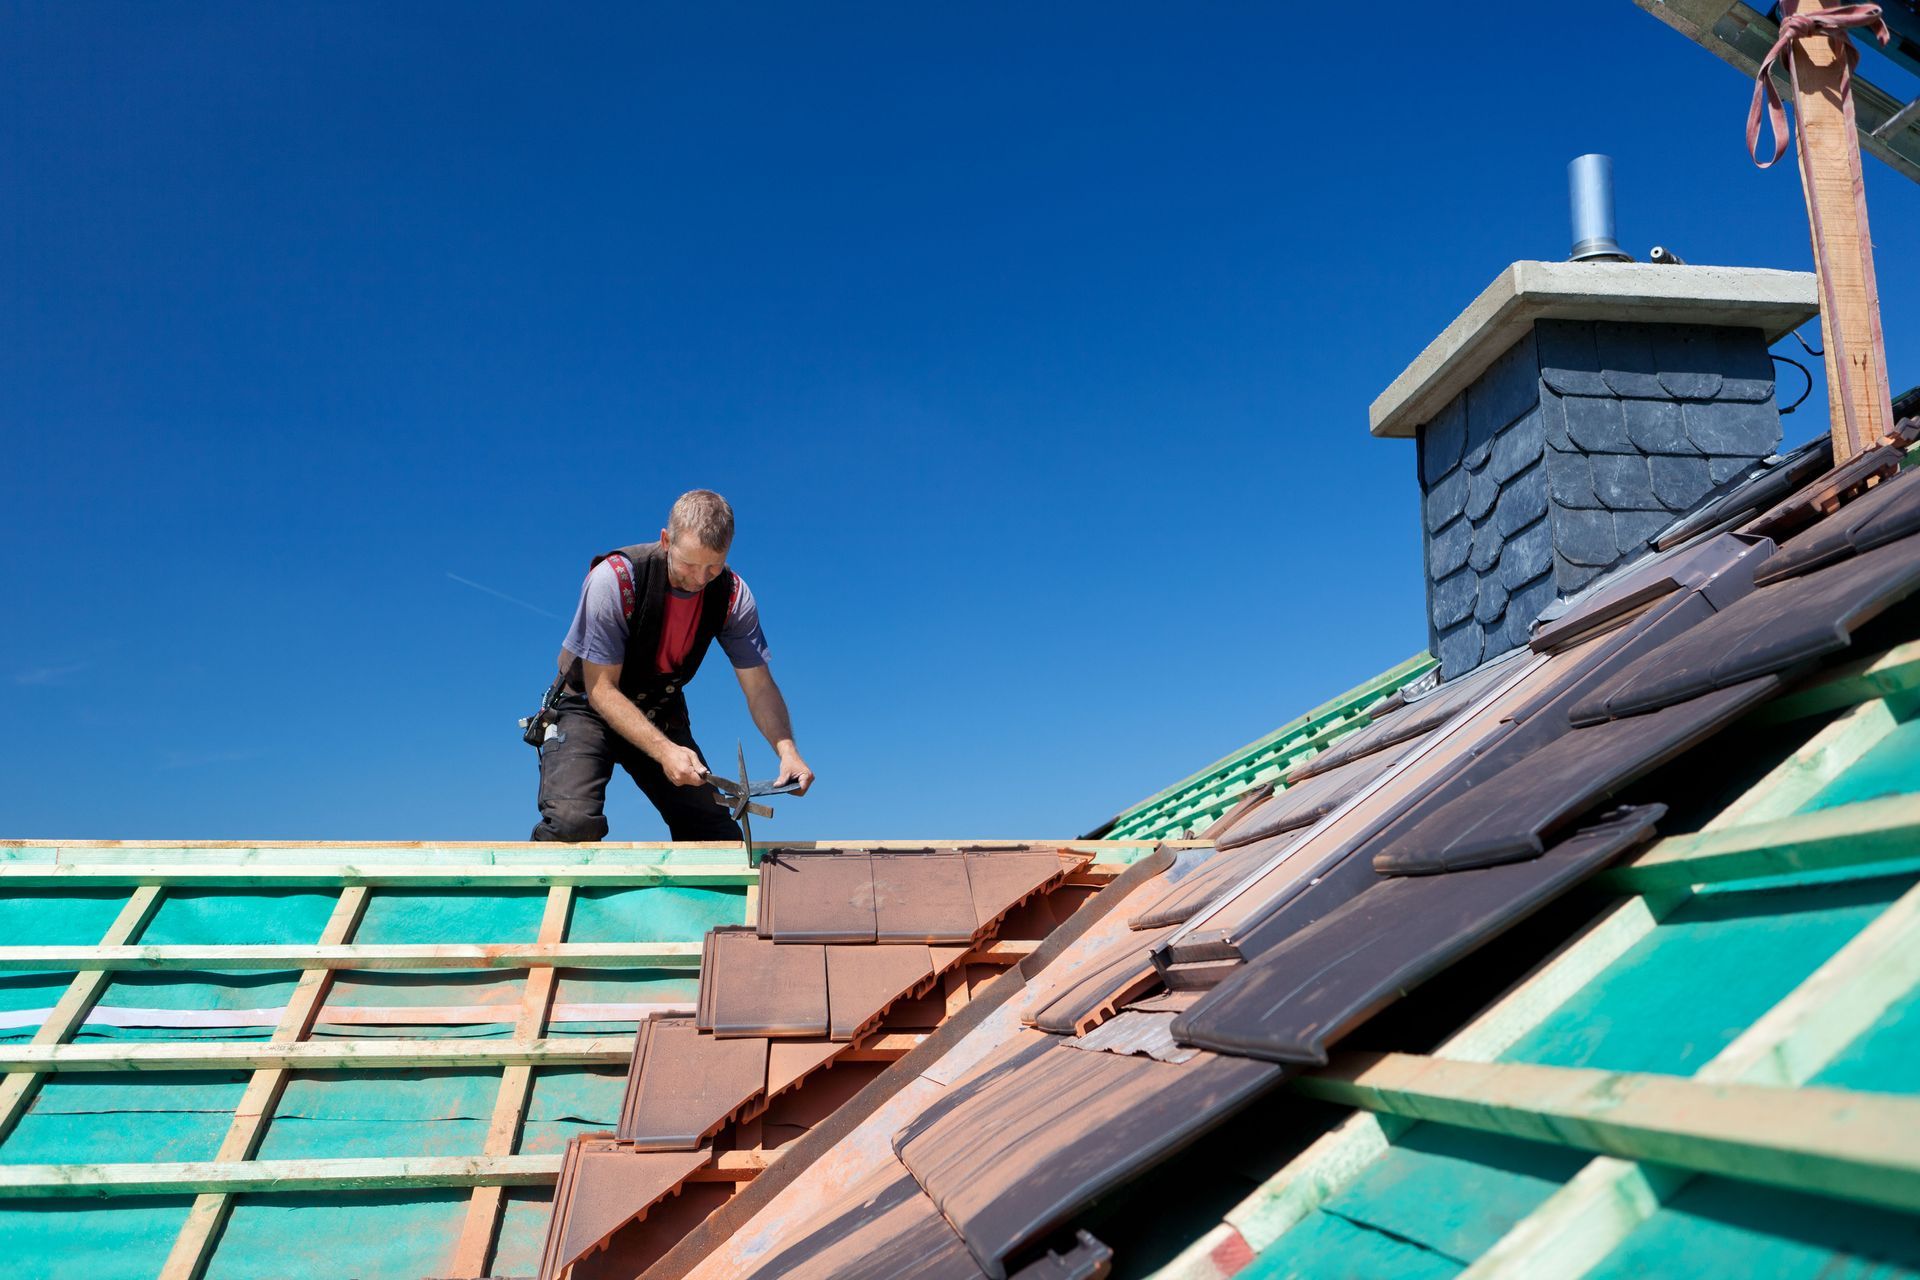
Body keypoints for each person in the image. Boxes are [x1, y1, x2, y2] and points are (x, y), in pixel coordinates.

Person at [529, 489, 814, 842]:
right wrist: (665, 751)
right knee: (572, 825)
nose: (700, 579)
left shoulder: (732, 596)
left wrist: (787, 752)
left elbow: (758, 686)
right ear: (666, 541)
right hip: (587, 706)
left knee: (716, 838)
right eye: (689, 564)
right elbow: (602, 690)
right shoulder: (614, 580)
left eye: (714, 565)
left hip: (659, 709)